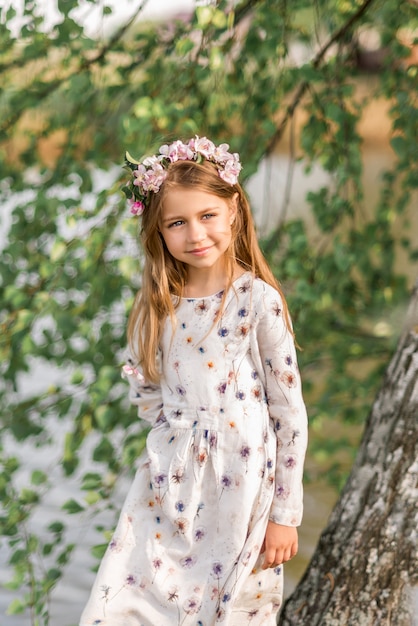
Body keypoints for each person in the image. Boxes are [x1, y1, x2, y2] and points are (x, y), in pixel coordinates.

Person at [80, 136, 308, 626]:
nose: (195, 233)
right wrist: (176, 438)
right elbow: (147, 390)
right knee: (125, 600)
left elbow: (289, 413)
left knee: (231, 609)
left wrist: (285, 514)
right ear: (158, 233)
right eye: (177, 223)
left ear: (234, 211)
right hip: (168, 483)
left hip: (242, 484)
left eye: (207, 215)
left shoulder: (256, 300)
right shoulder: (157, 307)